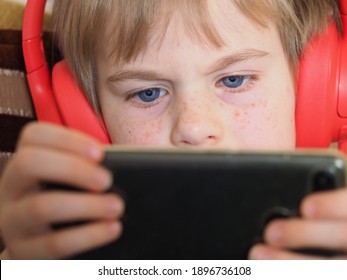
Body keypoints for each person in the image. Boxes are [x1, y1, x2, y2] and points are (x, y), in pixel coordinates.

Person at [0, 0, 345, 259]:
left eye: (234, 79)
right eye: (148, 93)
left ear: (314, 88)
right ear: (88, 119)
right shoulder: (82, 249)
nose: (193, 127)